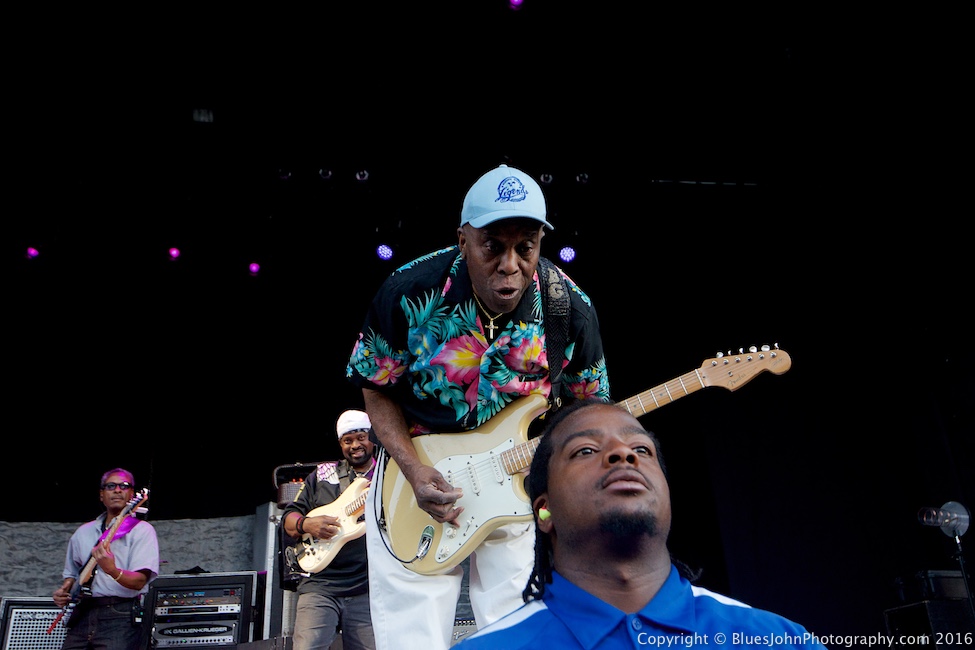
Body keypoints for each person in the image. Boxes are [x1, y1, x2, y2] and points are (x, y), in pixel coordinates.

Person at [346, 163, 611, 649]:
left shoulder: (568, 309)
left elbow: (589, 412)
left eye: (525, 247)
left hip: (512, 487)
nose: (510, 264)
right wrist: (409, 467)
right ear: (463, 239)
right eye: (493, 245)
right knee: (412, 638)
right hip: (413, 482)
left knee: (515, 635)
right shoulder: (408, 291)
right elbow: (375, 386)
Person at [456, 399, 829, 649]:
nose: (622, 454)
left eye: (642, 450)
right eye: (585, 451)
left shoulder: (779, 639)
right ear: (544, 512)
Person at [281, 409, 378, 650]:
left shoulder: (388, 475)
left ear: (373, 438)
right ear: (341, 444)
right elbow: (289, 518)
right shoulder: (323, 474)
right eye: (348, 440)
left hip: (367, 586)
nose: (355, 445)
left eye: (361, 437)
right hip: (319, 586)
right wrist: (306, 524)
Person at [52, 467, 159, 650]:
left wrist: (112, 570)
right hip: (83, 613)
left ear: (132, 494)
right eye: (111, 486)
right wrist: (64, 590)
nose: (117, 490)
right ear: (101, 495)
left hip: (120, 614)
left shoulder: (142, 530)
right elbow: (72, 573)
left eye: (124, 486)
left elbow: (139, 581)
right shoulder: (82, 533)